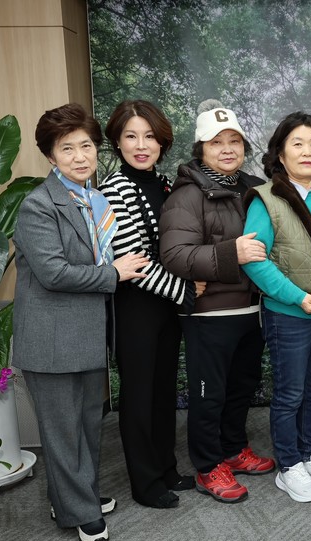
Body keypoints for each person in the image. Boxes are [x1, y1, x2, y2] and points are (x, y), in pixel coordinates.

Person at [12, 103, 149, 541]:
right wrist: (114, 273)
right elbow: (53, 273)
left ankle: (75, 495)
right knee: (62, 431)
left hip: (89, 335)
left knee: (88, 424)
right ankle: (80, 511)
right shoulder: (38, 205)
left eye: (86, 146)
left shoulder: (95, 201)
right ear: (50, 156)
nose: (79, 156)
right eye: (67, 148)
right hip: (52, 340)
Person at [159, 100, 274, 504]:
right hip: (209, 314)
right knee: (210, 395)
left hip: (252, 309)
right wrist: (231, 253)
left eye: (234, 141)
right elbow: (174, 255)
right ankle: (208, 465)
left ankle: (234, 449)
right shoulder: (187, 195)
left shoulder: (255, 187)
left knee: (242, 388)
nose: (227, 149)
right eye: (216, 142)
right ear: (201, 149)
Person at [99, 100, 201, 509]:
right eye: (131, 136)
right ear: (117, 142)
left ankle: (166, 468)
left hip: (166, 307)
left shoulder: (166, 184)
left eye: (149, 136)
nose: (141, 145)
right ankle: (145, 482)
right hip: (135, 308)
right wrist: (188, 291)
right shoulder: (113, 189)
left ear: (162, 142)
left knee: (162, 392)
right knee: (139, 397)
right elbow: (134, 262)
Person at [242, 111, 311, 503]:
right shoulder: (266, 199)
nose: (307, 152)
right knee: (289, 394)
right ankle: (289, 466)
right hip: (288, 314)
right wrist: (297, 296)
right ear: (280, 154)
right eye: (297, 144)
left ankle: (309, 453)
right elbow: (255, 261)